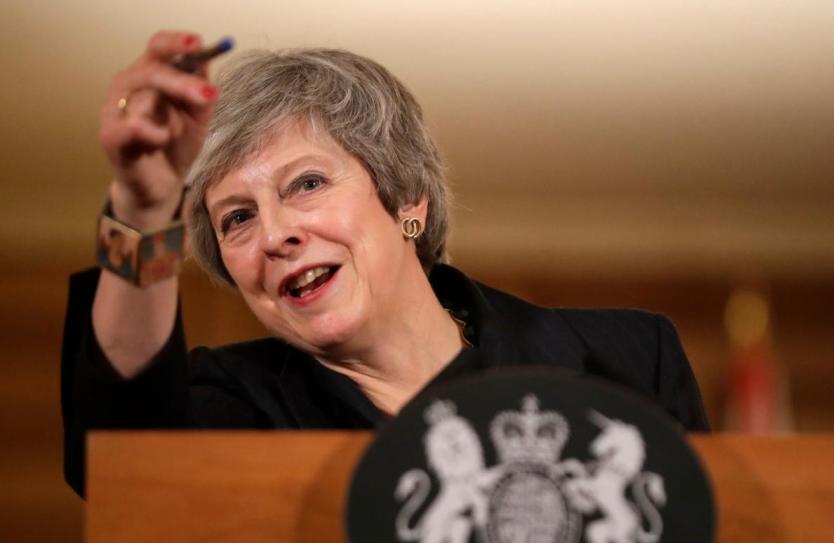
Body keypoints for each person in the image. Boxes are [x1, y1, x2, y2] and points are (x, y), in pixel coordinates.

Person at [63, 31, 709, 498]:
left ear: (407, 200)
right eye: (237, 218)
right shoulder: (234, 403)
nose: (275, 234)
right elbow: (116, 462)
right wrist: (144, 207)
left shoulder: (629, 360)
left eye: (306, 183)